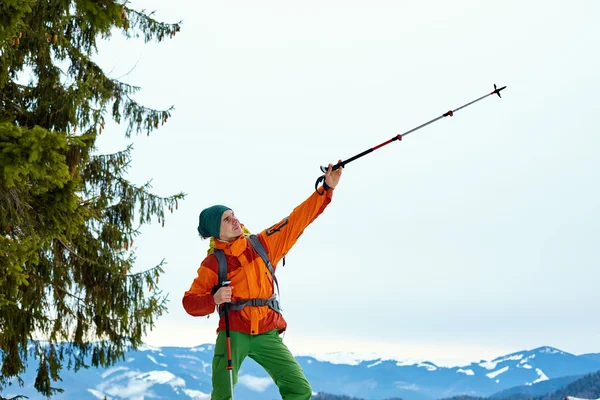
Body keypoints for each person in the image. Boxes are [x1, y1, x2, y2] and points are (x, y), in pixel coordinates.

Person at [182, 162, 343, 400]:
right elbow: (189, 302)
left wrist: (326, 189)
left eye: (233, 214)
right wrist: (213, 299)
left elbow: (297, 220)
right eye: (226, 219)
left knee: (300, 390)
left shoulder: (262, 244)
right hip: (233, 332)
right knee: (222, 395)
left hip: (267, 330)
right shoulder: (213, 263)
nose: (235, 220)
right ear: (216, 231)